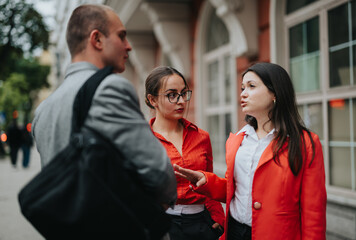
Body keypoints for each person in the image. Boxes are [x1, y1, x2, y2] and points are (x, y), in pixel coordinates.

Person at [31, 4, 177, 238]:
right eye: (121, 36)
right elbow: (159, 173)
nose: (128, 45)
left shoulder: (43, 110)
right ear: (97, 39)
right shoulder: (109, 87)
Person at [174, 62, 327, 240]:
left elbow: (313, 210)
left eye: (251, 86)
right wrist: (206, 181)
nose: (243, 93)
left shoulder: (305, 143)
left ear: (274, 94)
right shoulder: (238, 139)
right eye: (242, 87)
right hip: (235, 232)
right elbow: (240, 191)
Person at [145, 66, 225, 240]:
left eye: (184, 93)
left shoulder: (201, 137)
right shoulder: (142, 140)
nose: (181, 101)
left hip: (202, 224)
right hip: (161, 223)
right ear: (152, 100)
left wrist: (218, 219)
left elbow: (209, 181)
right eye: (172, 95)